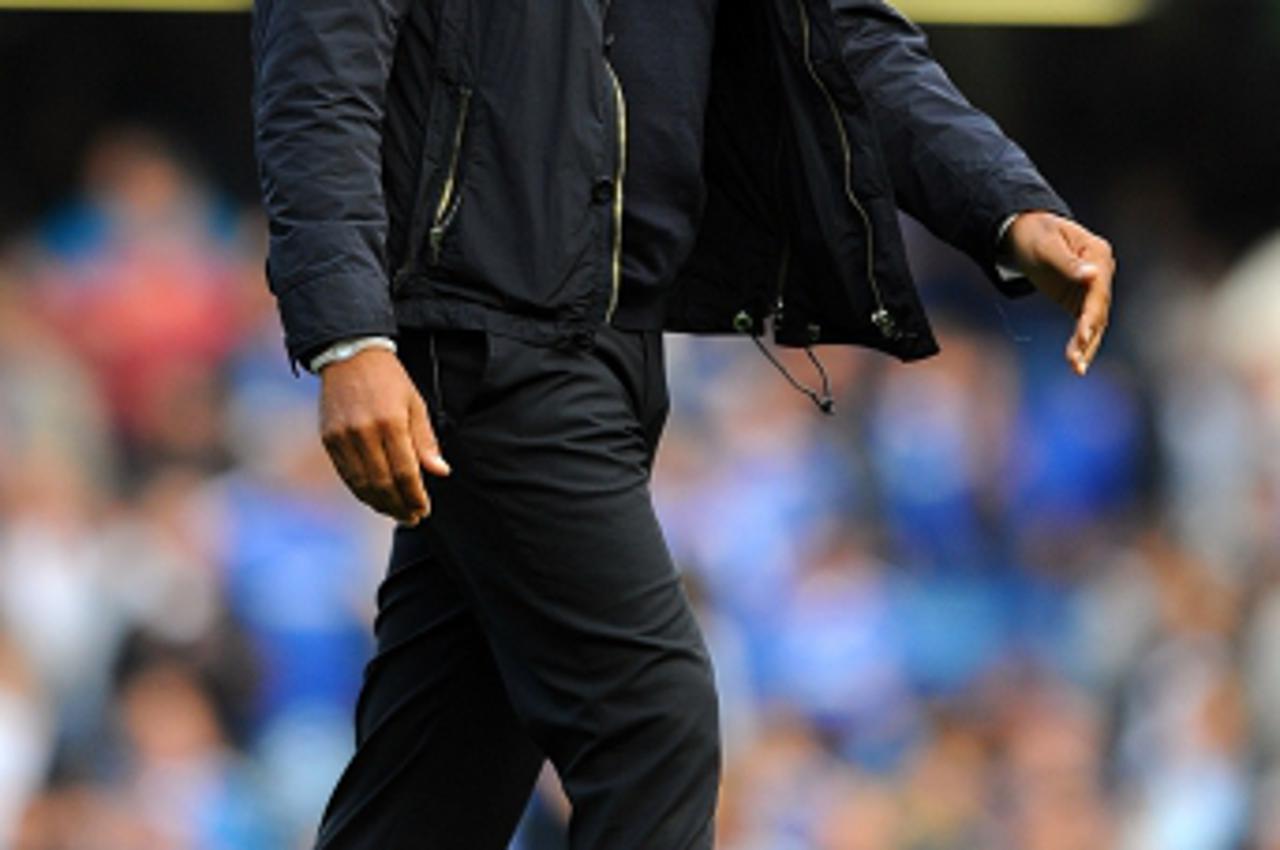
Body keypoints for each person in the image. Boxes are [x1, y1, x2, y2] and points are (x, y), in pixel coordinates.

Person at [249, 0, 1115, 847]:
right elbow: (321, 65)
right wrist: (348, 334)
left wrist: (1006, 206)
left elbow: (838, 33)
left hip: (616, 340)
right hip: (486, 329)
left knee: (444, 768)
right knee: (650, 719)